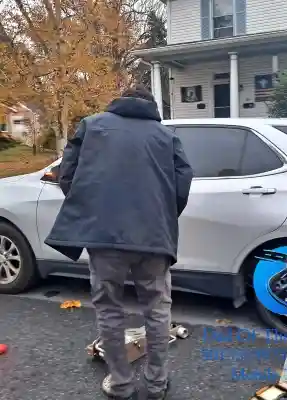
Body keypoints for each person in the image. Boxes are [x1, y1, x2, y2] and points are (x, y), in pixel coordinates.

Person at [44, 85, 194, 399]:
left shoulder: (91, 125)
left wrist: (91, 210)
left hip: (104, 238)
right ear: (151, 106)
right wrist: (163, 217)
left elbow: (67, 174)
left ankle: (121, 384)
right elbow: (182, 183)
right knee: (157, 309)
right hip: (153, 239)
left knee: (109, 309)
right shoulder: (166, 136)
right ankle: (156, 383)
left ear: (120, 100)